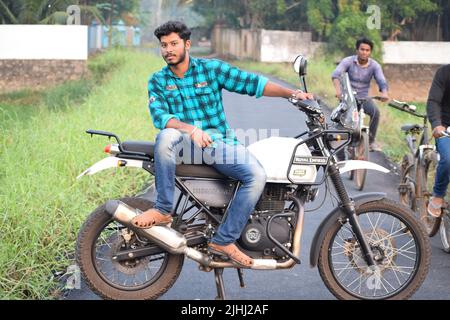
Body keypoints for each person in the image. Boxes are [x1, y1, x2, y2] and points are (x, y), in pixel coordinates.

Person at [131, 21, 313, 267]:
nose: (168, 50)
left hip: (217, 144)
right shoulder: (158, 80)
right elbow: (160, 116)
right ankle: (163, 209)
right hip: (183, 143)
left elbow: (252, 83)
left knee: (257, 175)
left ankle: (224, 239)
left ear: (187, 44)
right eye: (164, 45)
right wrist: (191, 130)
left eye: (173, 44)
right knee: (164, 135)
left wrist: (291, 94)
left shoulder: (210, 69)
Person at [331, 37, 389, 152]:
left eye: (367, 50)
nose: (364, 52)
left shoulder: (374, 66)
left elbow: (381, 80)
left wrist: (384, 93)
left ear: (370, 52)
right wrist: (338, 91)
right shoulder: (348, 61)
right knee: (342, 121)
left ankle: (371, 141)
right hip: (348, 98)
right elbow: (336, 75)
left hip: (363, 98)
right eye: (362, 49)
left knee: (375, 112)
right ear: (357, 50)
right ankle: (341, 145)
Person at [426, 64, 450, 217]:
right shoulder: (444, 73)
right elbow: (433, 101)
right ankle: (438, 194)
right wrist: (437, 124)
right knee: (448, 159)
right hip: (446, 128)